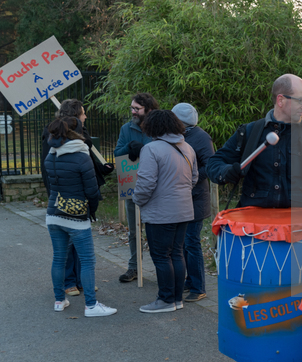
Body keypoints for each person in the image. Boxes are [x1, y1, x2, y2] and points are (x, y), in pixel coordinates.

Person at [207, 74, 302, 362]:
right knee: (252, 296)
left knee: (296, 297)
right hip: (254, 230)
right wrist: (228, 171)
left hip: (298, 229)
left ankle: (295, 361)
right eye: (301, 100)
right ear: (281, 100)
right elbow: (214, 163)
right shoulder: (250, 132)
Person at [45, 117, 117, 317]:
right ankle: (91, 306)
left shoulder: (50, 156)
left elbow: (52, 186)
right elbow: (92, 191)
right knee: (87, 260)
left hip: (53, 214)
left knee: (59, 258)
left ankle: (59, 300)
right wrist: (91, 210)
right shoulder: (81, 156)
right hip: (76, 216)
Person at [133, 110, 198, 313]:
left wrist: (137, 200)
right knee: (177, 253)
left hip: (160, 212)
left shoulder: (151, 149)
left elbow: (145, 183)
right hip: (184, 209)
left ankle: (166, 299)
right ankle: (176, 299)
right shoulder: (188, 147)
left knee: (161, 256)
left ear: (152, 127)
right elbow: (194, 178)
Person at [171, 103, 215, 302]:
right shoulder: (179, 136)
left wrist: (191, 177)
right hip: (182, 197)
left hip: (196, 197)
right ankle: (190, 280)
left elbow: (211, 165)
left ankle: (198, 287)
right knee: (183, 242)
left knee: (191, 242)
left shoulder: (201, 137)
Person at [114, 93, 159, 283]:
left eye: (137, 109)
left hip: (155, 188)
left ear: (148, 110)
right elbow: (117, 152)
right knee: (134, 230)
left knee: (156, 230)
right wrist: (129, 147)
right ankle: (134, 267)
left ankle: (162, 268)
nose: (133, 111)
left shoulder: (157, 127)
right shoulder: (127, 128)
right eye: (132, 108)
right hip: (132, 186)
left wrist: (145, 148)